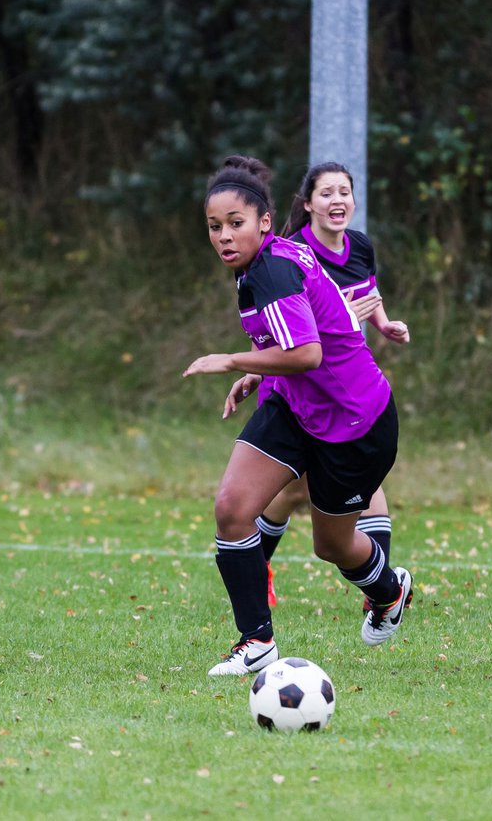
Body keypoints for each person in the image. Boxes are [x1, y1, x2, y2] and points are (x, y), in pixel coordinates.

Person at [184, 155, 413, 676]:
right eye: (214, 227)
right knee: (232, 507)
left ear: (264, 222)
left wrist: (234, 360)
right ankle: (257, 641)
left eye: (235, 224)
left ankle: (390, 589)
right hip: (295, 406)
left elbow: (308, 352)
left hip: (355, 422)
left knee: (332, 546)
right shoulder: (265, 263)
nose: (223, 236)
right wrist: (260, 373)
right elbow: (296, 339)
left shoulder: (274, 267)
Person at [231, 162, 410, 611]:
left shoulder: (360, 247)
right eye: (326, 193)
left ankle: (381, 593)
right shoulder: (291, 253)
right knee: (288, 489)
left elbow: (367, 295)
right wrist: (254, 369)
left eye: (344, 192)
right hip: (294, 387)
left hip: (343, 387)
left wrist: (383, 324)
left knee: (348, 494)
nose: (337, 201)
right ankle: (261, 579)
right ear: (307, 204)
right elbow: (296, 330)